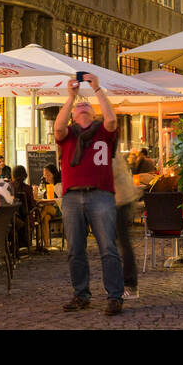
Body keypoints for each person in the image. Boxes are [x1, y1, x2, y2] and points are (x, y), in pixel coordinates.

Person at [54, 75, 124, 315]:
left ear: (94, 115)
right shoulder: (69, 135)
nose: (82, 107)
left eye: (87, 106)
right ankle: (81, 294)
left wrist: (97, 88)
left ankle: (115, 296)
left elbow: (112, 118)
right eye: (78, 108)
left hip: (100, 195)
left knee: (108, 248)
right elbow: (58, 127)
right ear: (74, 115)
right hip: (72, 197)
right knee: (75, 249)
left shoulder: (104, 132)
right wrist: (71, 97)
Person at [112, 146, 140, 300]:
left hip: (121, 201)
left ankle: (130, 283)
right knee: (120, 243)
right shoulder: (108, 148)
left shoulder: (108, 150)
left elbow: (108, 174)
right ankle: (122, 282)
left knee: (123, 242)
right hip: (120, 199)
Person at [9, 164, 35, 253]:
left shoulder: (8, 186)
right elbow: (32, 206)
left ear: (13, 175)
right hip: (26, 219)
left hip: (11, 219)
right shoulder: (27, 188)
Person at [35, 165, 60, 251]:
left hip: (59, 209)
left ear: (54, 174)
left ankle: (35, 223)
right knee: (45, 218)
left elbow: (61, 200)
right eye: (44, 175)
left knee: (45, 208)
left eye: (48, 175)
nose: (46, 177)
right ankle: (46, 245)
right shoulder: (45, 185)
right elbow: (40, 197)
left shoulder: (59, 185)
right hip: (48, 209)